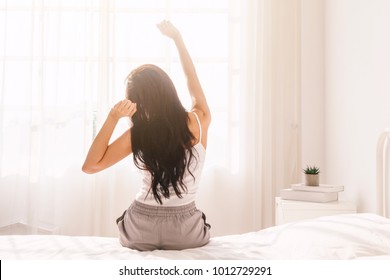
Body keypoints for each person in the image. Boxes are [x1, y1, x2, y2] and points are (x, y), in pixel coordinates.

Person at [82, 20, 211, 251]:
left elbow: (90, 166)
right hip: (185, 232)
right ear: (168, 89)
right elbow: (192, 79)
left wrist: (113, 117)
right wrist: (178, 39)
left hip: (140, 228)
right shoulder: (199, 121)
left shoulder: (138, 134)